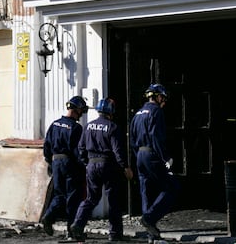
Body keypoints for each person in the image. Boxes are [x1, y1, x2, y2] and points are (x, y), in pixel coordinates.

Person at [70, 98, 133, 242]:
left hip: (92, 165)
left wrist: (87, 162)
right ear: (111, 112)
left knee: (91, 198)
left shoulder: (87, 126)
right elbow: (118, 151)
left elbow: (80, 148)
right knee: (113, 200)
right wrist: (125, 167)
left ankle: (78, 224)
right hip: (108, 165)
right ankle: (115, 233)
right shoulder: (113, 127)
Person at [129, 83, 180, 243]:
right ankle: (149, 219)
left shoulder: (137, 114)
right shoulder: (156, 111)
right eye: (163, 98)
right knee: (171, 188)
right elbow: (156, 136)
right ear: (157, 96)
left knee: (146, 192)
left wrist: (139, 156)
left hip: (140, 156)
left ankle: (152, 235)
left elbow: (132, 139)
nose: (164, 102)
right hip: (151, 153)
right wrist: (166, 158)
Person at [41, 96, 89, 239]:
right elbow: (78, 151)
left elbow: (47, 146)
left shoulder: (54, 124)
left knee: (59, 194)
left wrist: (50, 162)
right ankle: (72, 231)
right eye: (81, 110)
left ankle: (48, 216)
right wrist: (84, 166)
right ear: (76, 109)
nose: (81, 114)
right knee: (74, 197)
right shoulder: (76, 127)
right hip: (70, 164)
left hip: (56, 162)